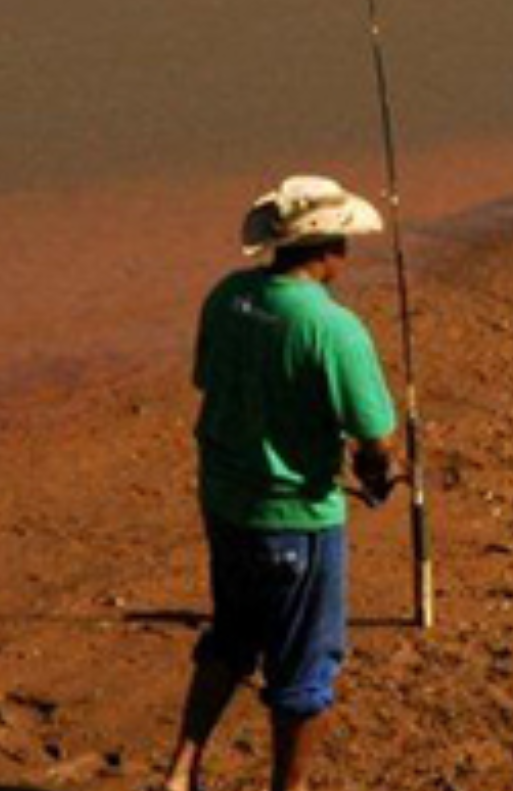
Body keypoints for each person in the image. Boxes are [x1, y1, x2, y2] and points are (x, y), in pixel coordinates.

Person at [163, 175, 400, 791]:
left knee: (231, 638)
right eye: (343, 241)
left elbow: (207, 379)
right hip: (296, 523)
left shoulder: (228, 296)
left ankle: (181, 772)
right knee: (304, 675)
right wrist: (379, 473)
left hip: (224, 505)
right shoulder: (334, 327)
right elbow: (375, 437)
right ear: (328, 249)